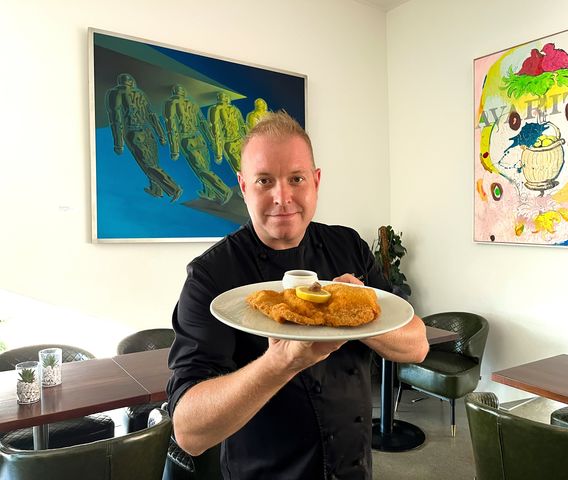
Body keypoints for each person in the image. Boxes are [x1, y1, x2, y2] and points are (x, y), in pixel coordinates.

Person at [167, 111, 429, 480]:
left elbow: (417, 345)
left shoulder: (348, 246)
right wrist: (280, 363)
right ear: (243, 186)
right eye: (264, 181)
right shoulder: (211, 275)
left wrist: (355, 314)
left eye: (296, 179)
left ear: (316, 181)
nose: (283, 197)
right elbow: (189, 431)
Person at [105, 73, 182, 201]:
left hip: (133, 132)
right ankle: (156, 189)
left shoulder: (115, 93)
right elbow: (152, 115)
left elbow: (116, 118)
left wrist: (118, 143)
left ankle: (174, 188)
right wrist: (161, 134)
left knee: (148, 166)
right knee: (153, 163)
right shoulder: (140, 94)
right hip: (148, 131)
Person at [164, 84, 232, 204]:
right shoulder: (192, 103)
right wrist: (211, 141)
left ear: (174, 92)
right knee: (205, 167)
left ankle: (224, 190)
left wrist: (174, 149)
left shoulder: (171, 103)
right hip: (199, 137)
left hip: (186, 139)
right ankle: (209, 192)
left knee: (200, 170)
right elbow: (203, 123)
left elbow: (172, 126)